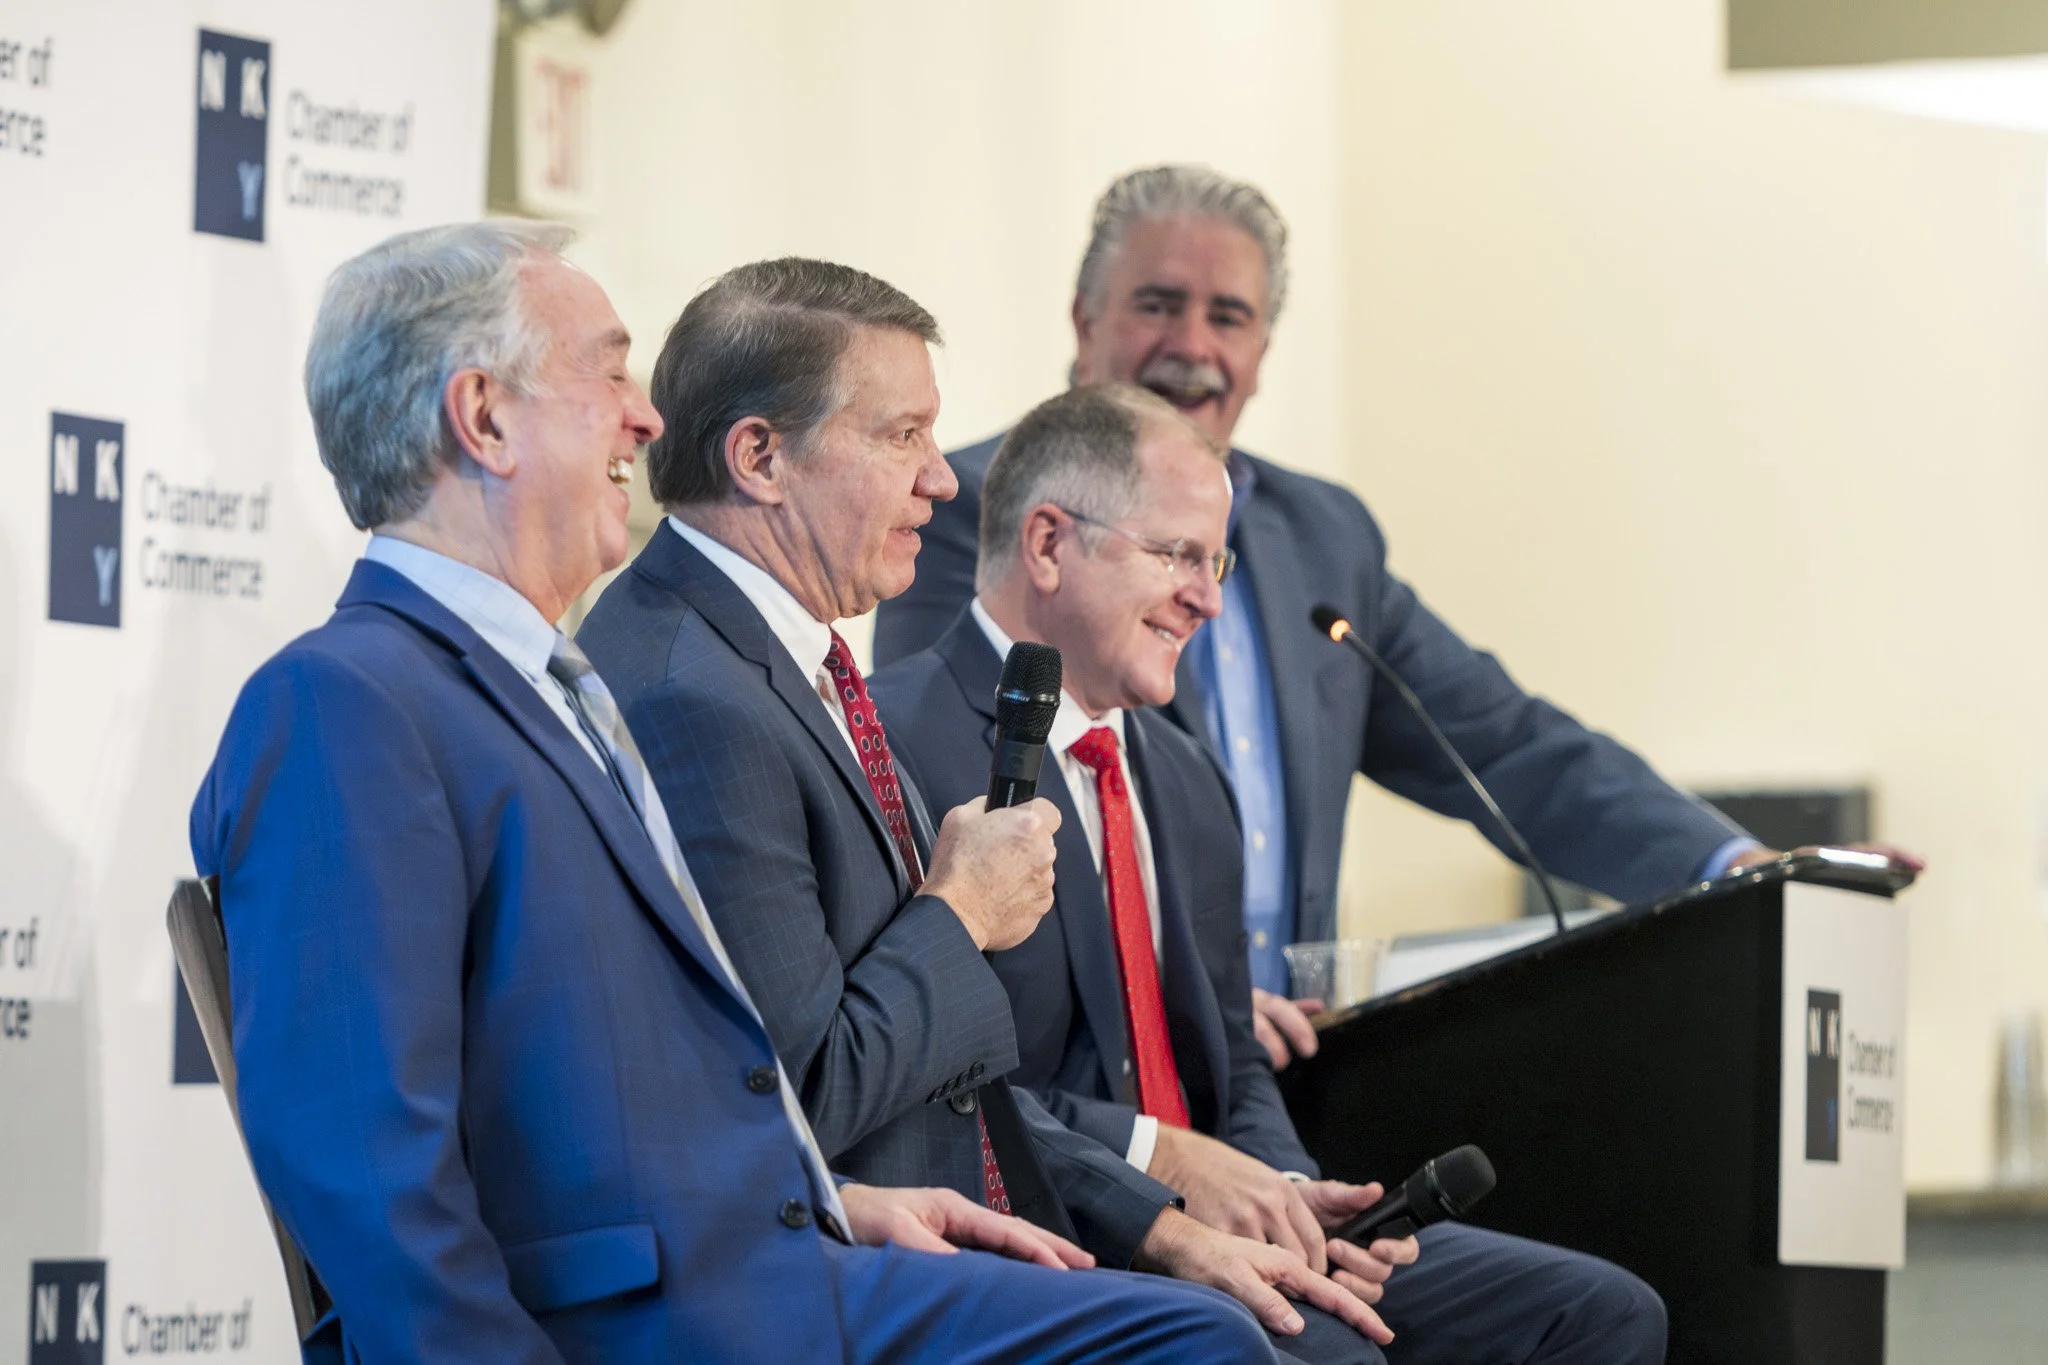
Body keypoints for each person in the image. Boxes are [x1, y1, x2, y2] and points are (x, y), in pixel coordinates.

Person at [189, 221, 1276, 1364]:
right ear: (485, 417)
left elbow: (672, 1083)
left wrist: (825, 1201)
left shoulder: (546, 685)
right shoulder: (344, 699)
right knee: (1198, 1348)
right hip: (668, 1321)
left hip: (765, 1259)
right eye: (609, 374)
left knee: (1213, 1330)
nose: (648, 419)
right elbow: (366, 1176)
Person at [871, 164, 1921, 1069]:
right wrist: (1193, 998)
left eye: (1227, 316)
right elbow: (951, 795)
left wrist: (1729, 869)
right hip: (1079, 1095)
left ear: (1262, 346)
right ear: (1083, 321)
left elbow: (1505, 746)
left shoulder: (1322, 538)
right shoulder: (976, 508)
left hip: (1296, 1071)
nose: (1190, 345)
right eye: (1157, 303)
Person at [576, 257, 1391, 1359]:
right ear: (761, 457)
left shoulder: (775, 659)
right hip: (824, 1270)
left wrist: (1174, 1226)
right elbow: (804, 1093)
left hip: (953, 1217)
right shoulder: (696, 693)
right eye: (902, 435)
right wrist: (959, 910)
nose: (942, 481)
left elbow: (959, 1076)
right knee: (1230, 1347)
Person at [872, 382, 1669, 1365]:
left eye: (1217, 563)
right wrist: (1164, 1162)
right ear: (1047, 543)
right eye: (1178, 555)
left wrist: (1289, 1197)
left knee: (1596, 1313)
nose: (1207, 599)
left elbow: (1233, 1059)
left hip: (1221, 1214)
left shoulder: (1184, 774)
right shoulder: (891, 743)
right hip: (1049, 1229)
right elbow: (935, 1084)